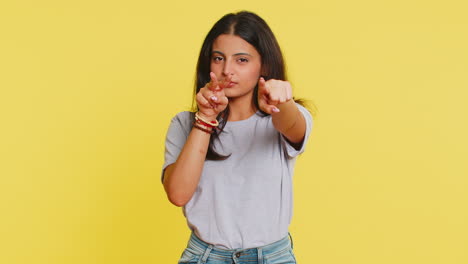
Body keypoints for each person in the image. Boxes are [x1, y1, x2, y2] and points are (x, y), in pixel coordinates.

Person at [162, 10, 313, 264]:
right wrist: (206, 118)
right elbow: (177, 195)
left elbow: (292, 125)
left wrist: (282, 100)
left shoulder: (284, 119)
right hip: (206, 257)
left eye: (241, 60)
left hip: (272, 257)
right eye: (218, 58)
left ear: (263, 64)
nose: (227, 70)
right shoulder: (185, 124)